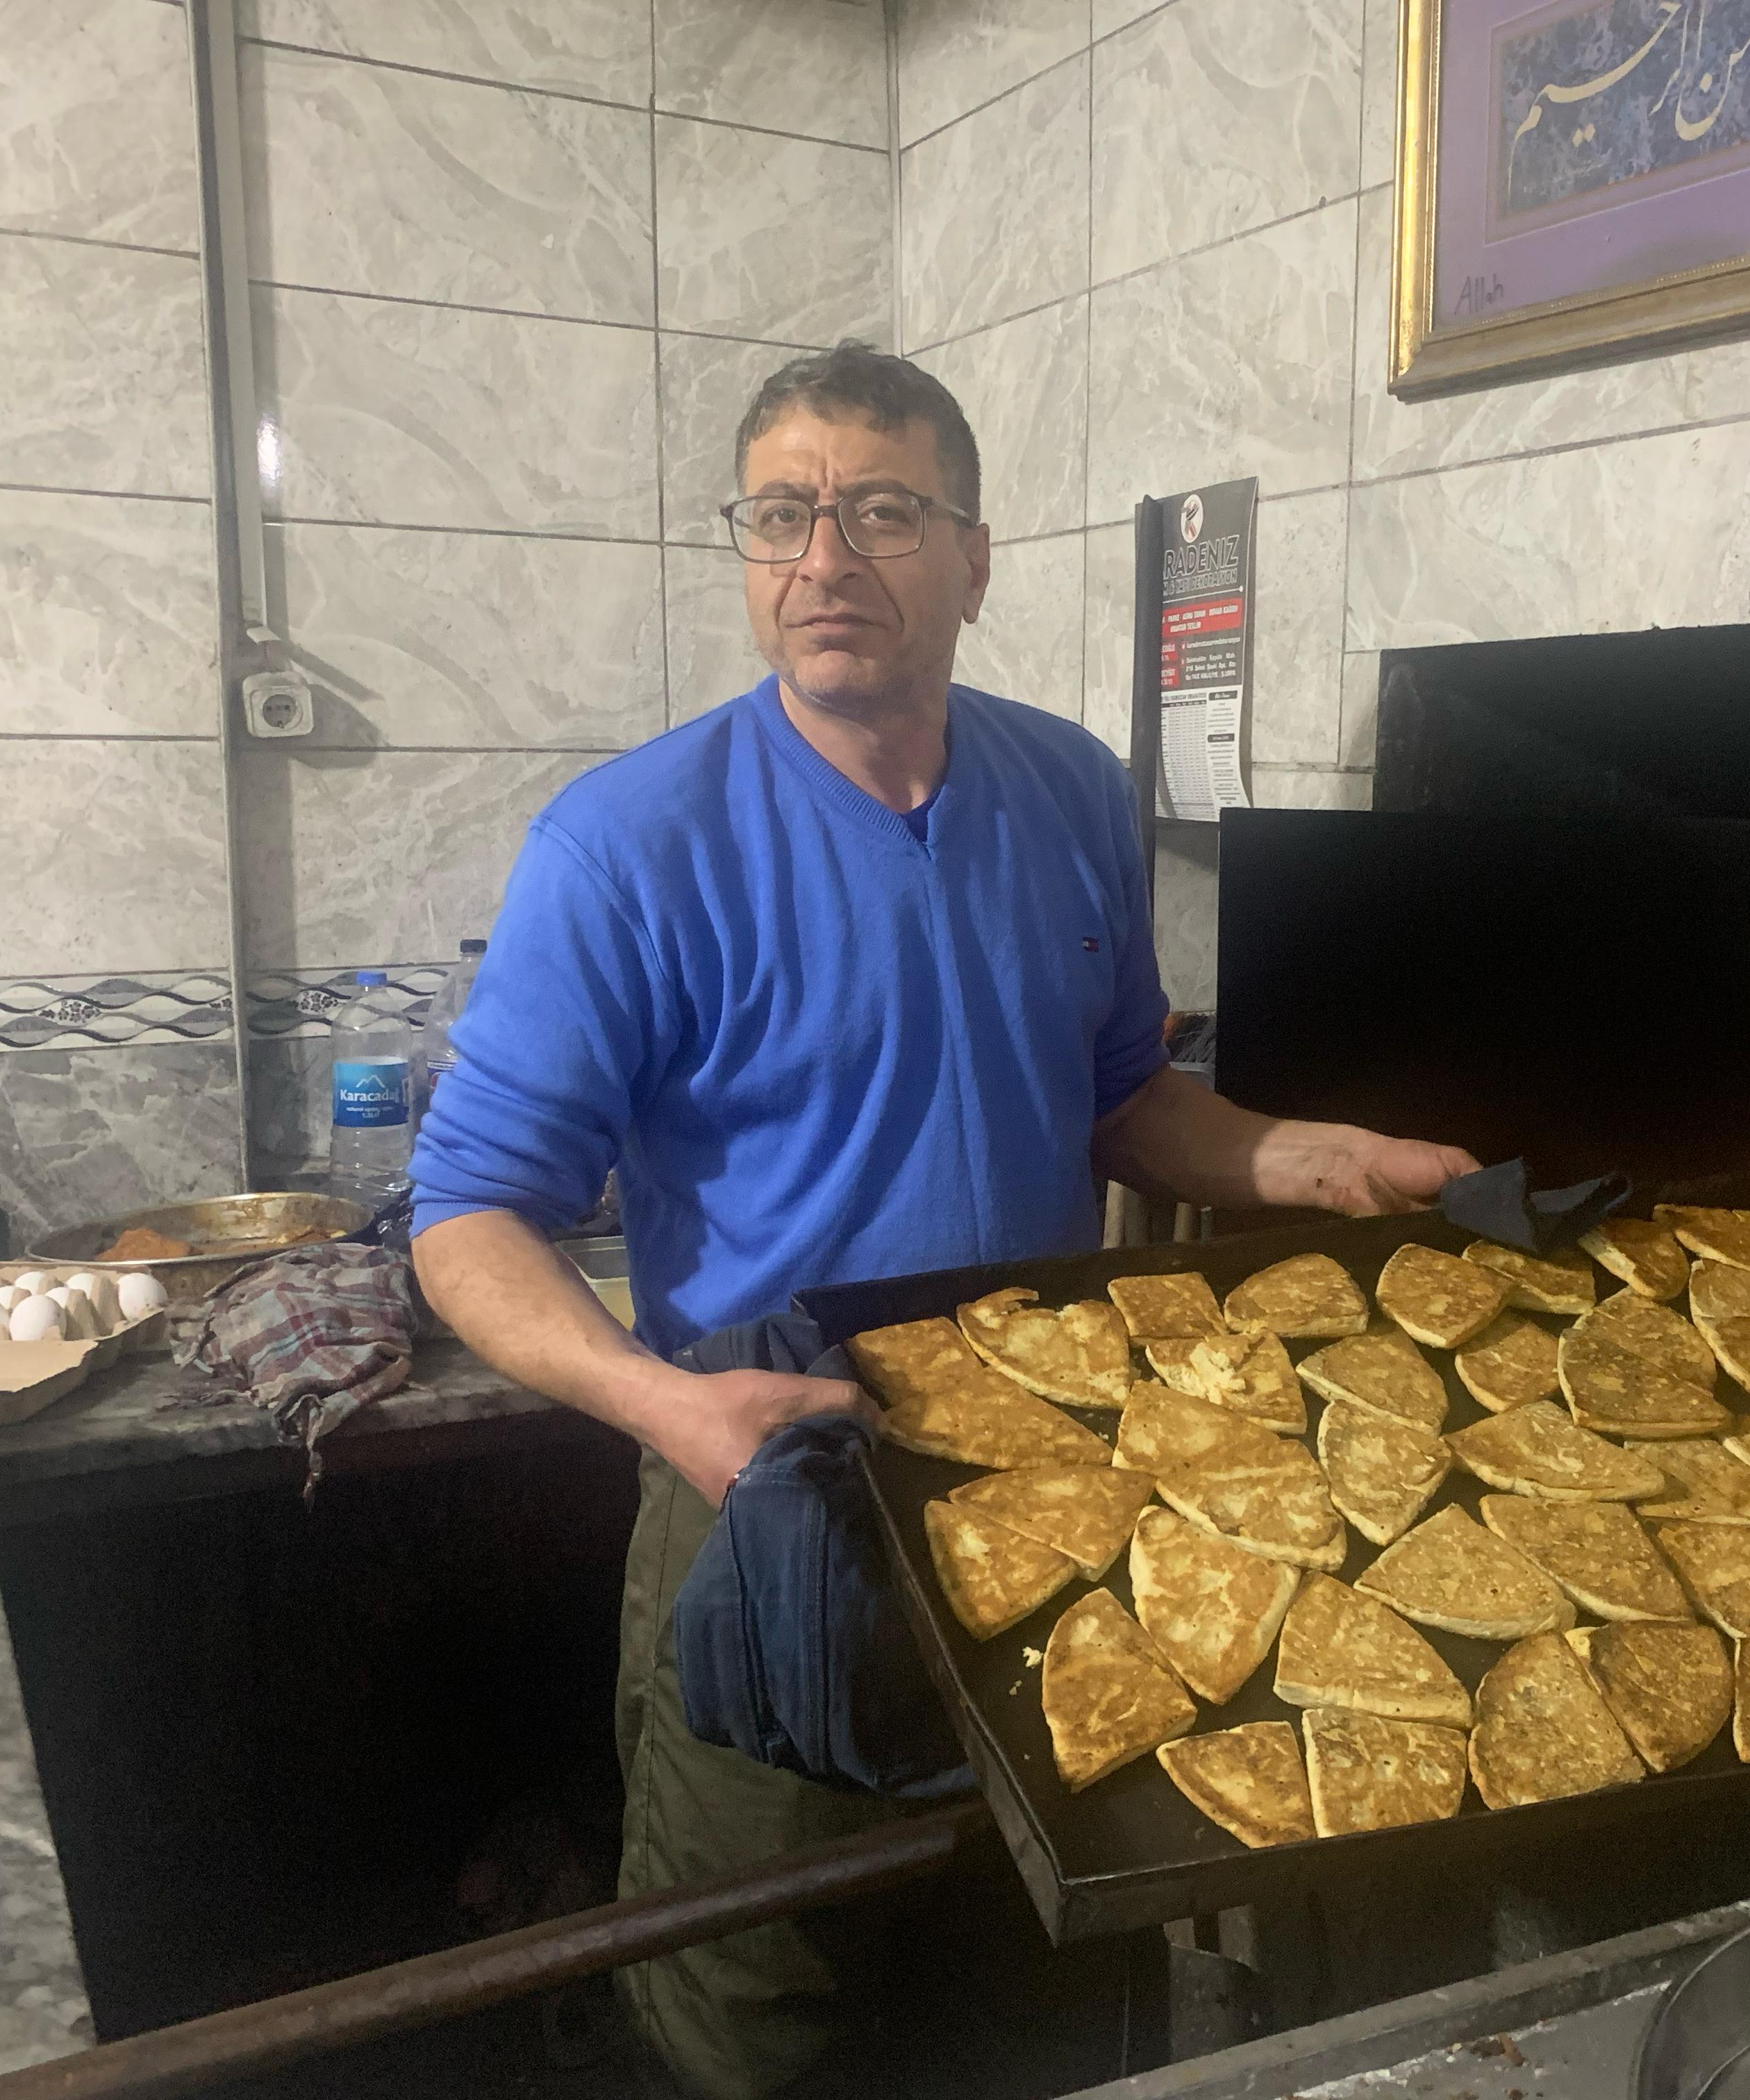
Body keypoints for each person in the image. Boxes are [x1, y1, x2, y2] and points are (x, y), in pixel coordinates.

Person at [408, 342, 1478, 2097]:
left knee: (1043, 1945)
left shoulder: (1068, 792)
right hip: (775, 1490)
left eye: (885, 512)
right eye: (781, 515)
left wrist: (1310, 1159)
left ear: (975, 559)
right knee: (763, 1994)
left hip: (1056, 1475)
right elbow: (467, 1213)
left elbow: (1120, 1096)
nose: (824, 559)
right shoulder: (626, 848)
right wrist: (666, 1406)